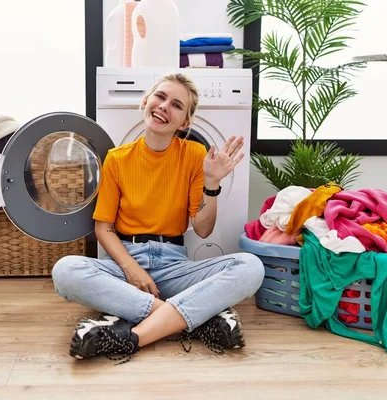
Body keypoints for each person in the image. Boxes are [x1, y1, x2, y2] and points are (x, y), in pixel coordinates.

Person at [52, 72, 265, 363]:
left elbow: (202, 230)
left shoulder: (194, 154)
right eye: (160, 97)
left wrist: (212, 184)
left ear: (185, 122)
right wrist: (131, 269)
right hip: (124, 263)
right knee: (66, 270)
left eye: (177, 105)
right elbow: (103, 229)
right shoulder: (117, 158)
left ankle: (133, 335)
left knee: (251, 266)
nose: (165, 106)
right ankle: (195, 319)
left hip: (175, 266)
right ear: (146, 101)